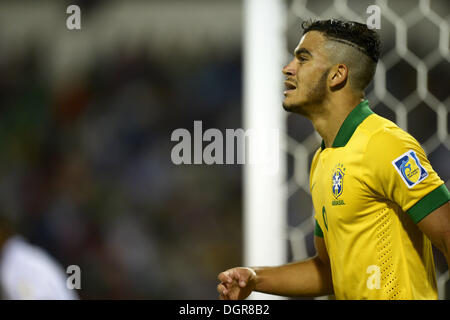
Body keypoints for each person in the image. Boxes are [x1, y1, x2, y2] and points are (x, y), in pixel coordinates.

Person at [217, 19, 450, 300]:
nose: (288, 68)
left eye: (303, 58)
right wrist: (256, 278)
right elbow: (329, 270)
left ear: (337, 75)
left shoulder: (386, 144)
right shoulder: (322, 160)